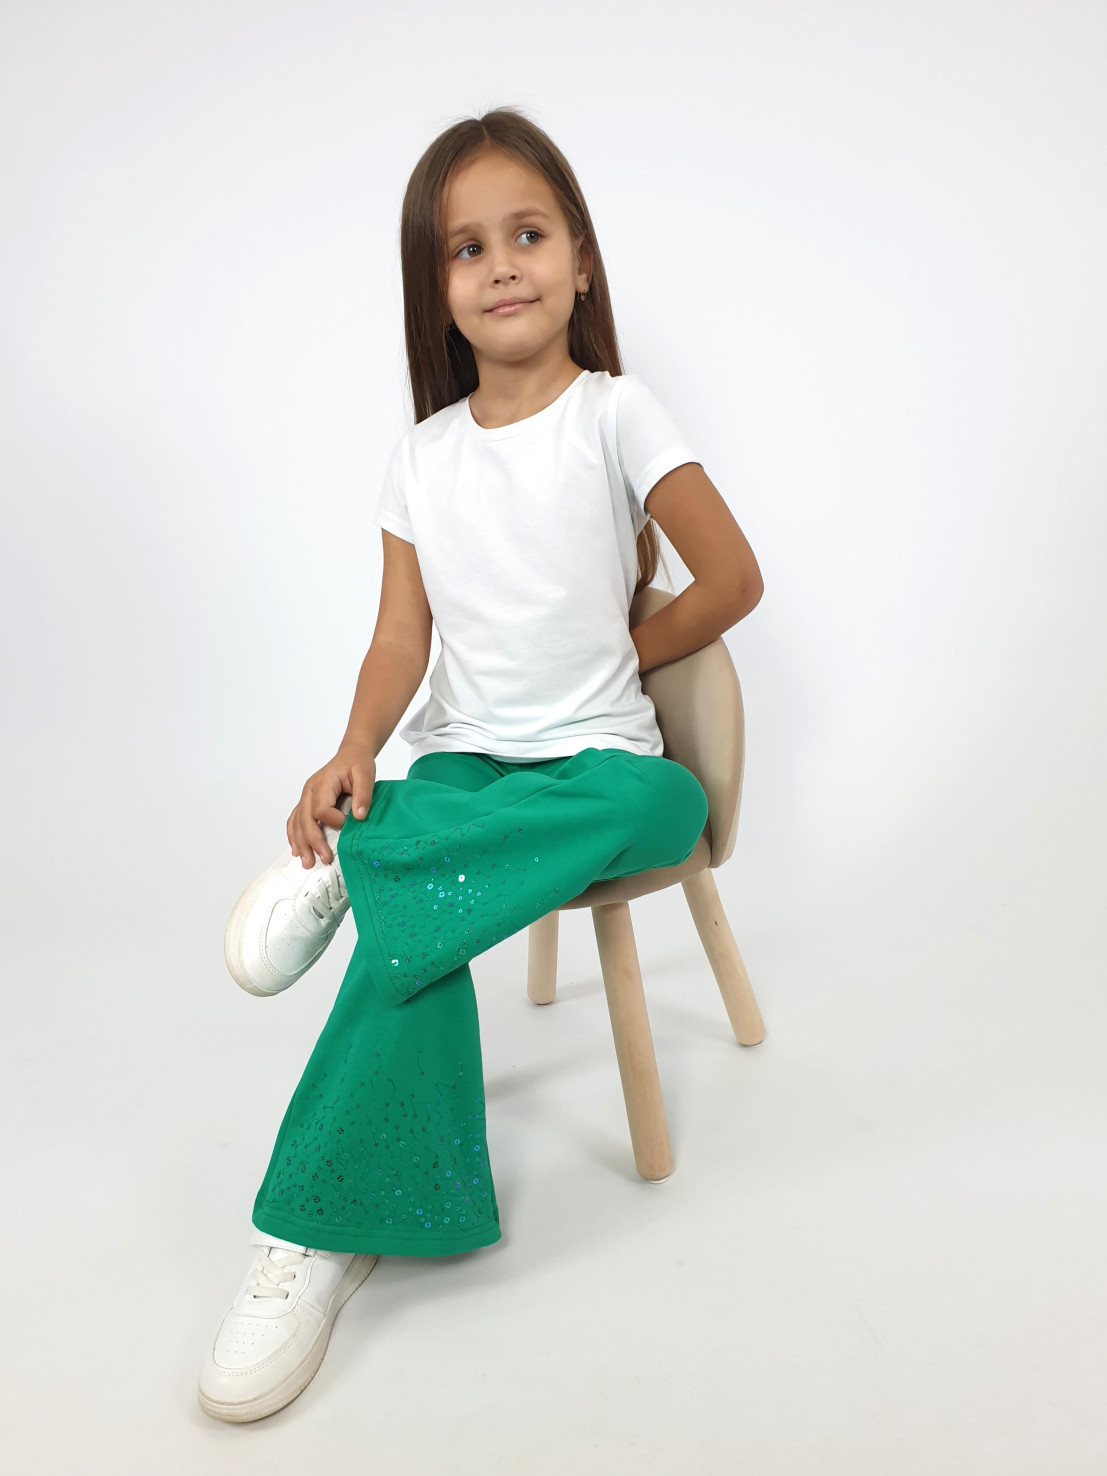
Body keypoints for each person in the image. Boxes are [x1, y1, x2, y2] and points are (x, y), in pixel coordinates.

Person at [198, 105, 764, 1423]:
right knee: (413, 942)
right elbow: (402, 639)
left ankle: (366, 865)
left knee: (664, 795)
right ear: (437, 288)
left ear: (580, 261)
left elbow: (732, 576)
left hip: (597, 767)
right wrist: (354, 750)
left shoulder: (618, 414)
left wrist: (628, 647)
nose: (502, 265)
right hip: (463, 768)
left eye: (529, 235)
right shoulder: (422, 458)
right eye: (467, 248)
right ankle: (317, 1237)